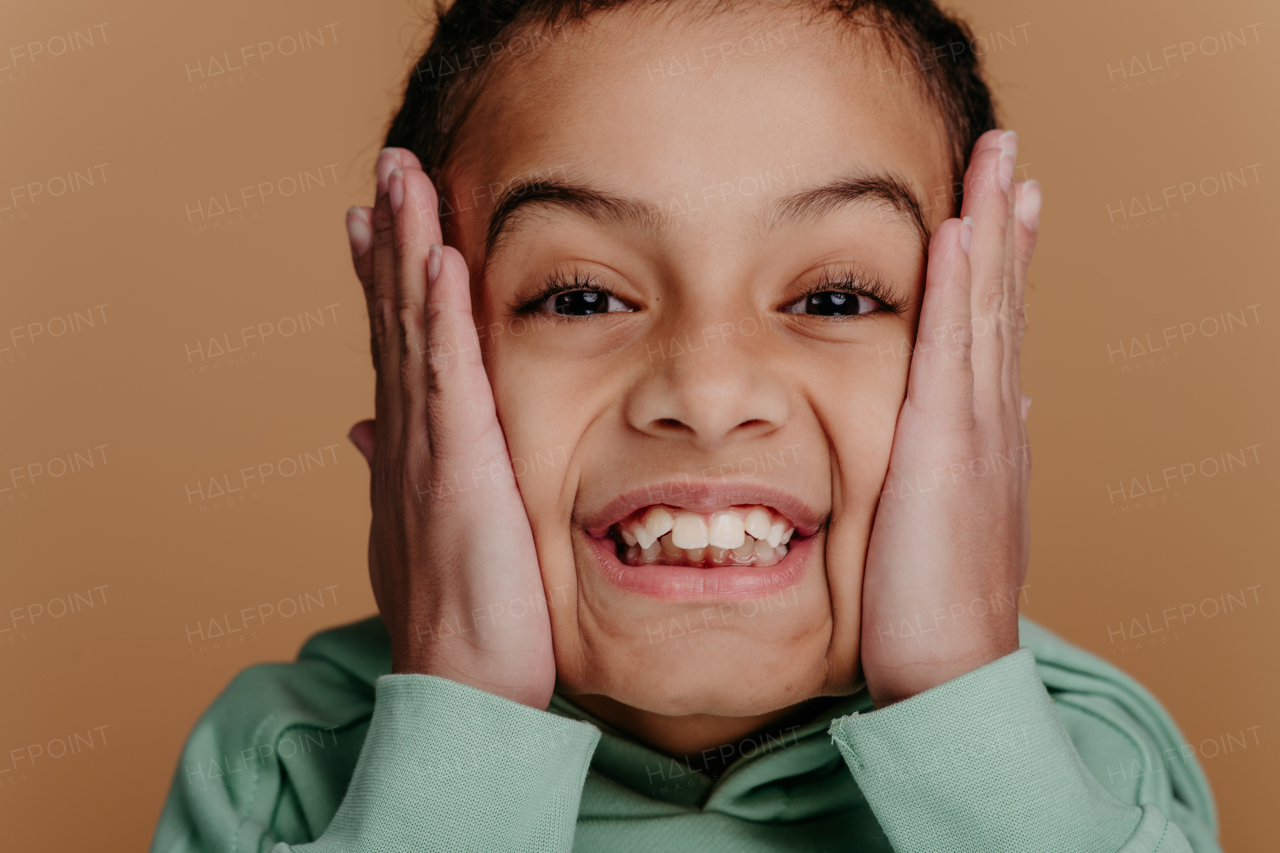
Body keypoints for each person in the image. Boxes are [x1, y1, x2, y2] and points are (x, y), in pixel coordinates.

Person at [150, 1, 1220, 850]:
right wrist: (462, 709)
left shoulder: (1080, 761)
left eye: (835, 299)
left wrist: (957, 696)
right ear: (411, 358)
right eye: (578, 297)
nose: (707, 397)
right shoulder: (282, 770)